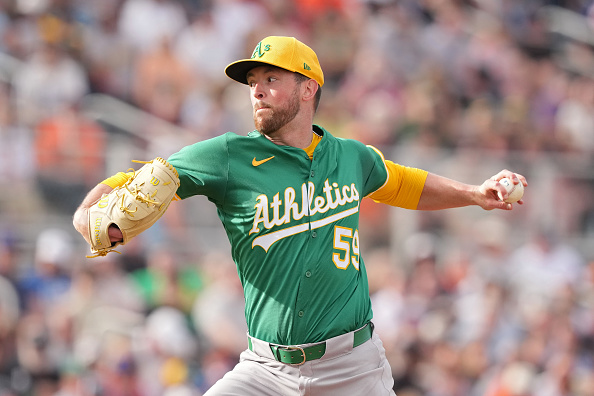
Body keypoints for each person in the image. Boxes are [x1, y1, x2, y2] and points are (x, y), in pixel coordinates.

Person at [73, 36, 527, 395]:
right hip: (266, 370)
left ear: (308, 87)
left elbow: (403, 183)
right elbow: (151, 181)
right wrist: (94, 210)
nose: (257, 90)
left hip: (353, 368)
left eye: (271, 77)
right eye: (252, 81)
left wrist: (473, 193)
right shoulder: (228, 155)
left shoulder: (351, 156)